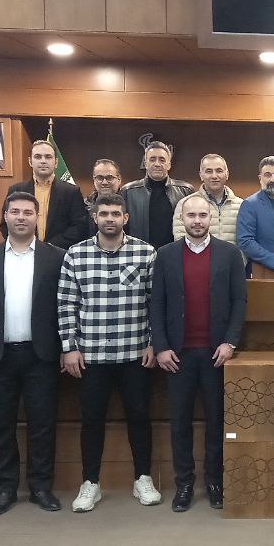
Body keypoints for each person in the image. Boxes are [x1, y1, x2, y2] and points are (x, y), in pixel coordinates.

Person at [0, 192, 65, 515]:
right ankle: (5, 488)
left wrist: (67, 348)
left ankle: (40, 487)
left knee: (42, 425)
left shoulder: (56, 257)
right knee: (0, 425)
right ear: (5, 216)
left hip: (41, 355)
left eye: (28, 212)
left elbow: (67, 307)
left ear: (37, 217)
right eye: (15, 211)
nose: (21, 217)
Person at [58, 193, 160, 512]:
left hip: (135, 353)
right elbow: (66, 304)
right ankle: (90, 483)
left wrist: (153, 342)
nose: (110, 219)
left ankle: (143, 478)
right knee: (91, 420)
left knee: (140, 417)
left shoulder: (145, 252)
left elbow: (155, 303)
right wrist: (69, 348)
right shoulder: (76, 254)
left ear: (125, 218)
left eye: (116, 213)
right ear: (95, 217)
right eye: (104, 214)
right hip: (92, 356)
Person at [150, 195, 247, 513]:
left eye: (202, 215)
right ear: (182, 219)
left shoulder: (230, 254)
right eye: (191, 215)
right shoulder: (165, 255)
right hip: (177, 355)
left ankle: (215, 482)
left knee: (217, 422)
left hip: (216, 353)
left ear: (211, 219)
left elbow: (239, 302)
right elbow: (157, 303)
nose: (197, 221)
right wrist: (161, 346)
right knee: (180, 423)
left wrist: (230, 342)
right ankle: (185, 484)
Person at [1, 140, 89, 249]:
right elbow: (5, 224)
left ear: (56, 162)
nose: (43, 161)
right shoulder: (16, 190)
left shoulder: (71, 192)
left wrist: (49, 247)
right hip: (24, 251)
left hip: (59, 253)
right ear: (30, 161)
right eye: (38, 157)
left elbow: (79, 227)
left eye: (48, 157)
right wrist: (27, 245)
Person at [121, 141, 192, 249]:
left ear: (169, 165)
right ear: (145, 163)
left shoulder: (185, 191)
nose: (157, 164)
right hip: (140, 253)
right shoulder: (128, 192)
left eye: (162, 160)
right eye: (152, 159)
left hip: (174, 254)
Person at [236, 156, 274, 280]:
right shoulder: (249, 204)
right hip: (263, 272)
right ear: (260, 178)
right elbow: (245, 241)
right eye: (268, 175)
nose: (273, 179)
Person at [171, 154, 244, 247]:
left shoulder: (241, 205)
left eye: (219, 171)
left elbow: (245, 241)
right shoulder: (184, 204)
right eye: (209, 171)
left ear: (227, 174)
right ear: (201, 175)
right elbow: (180, 240)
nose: (214, 176)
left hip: (232, 256)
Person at [86, 159, 123, 236]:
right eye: (99, 178)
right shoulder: (84, 206)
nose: (104, 182)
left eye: (109, 178)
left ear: (119, 179)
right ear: (94, 180)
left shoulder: (130, 204)